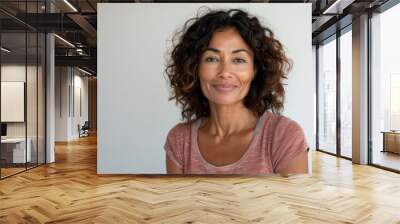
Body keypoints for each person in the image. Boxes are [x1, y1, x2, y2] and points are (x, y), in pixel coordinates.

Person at [164, 8, 308, 175]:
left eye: (238, 60)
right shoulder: (180, 140)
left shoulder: (284, 136)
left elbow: (291, 201)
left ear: (255, 70)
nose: (225, 71)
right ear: (195, 68)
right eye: (212, 59)